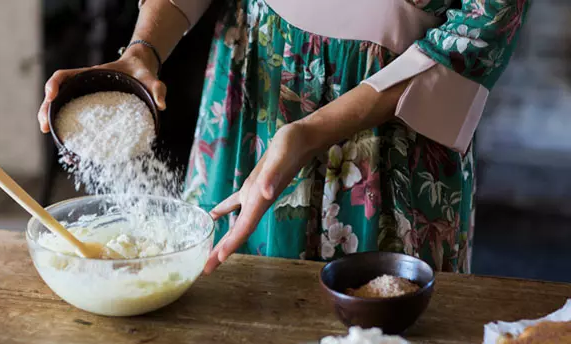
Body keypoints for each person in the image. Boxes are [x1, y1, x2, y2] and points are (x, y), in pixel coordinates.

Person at [38, 0, 529, 275]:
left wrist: (312, 131)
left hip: (390, 128)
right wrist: (143, 49)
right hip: (251, 92)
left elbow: (482, 25)